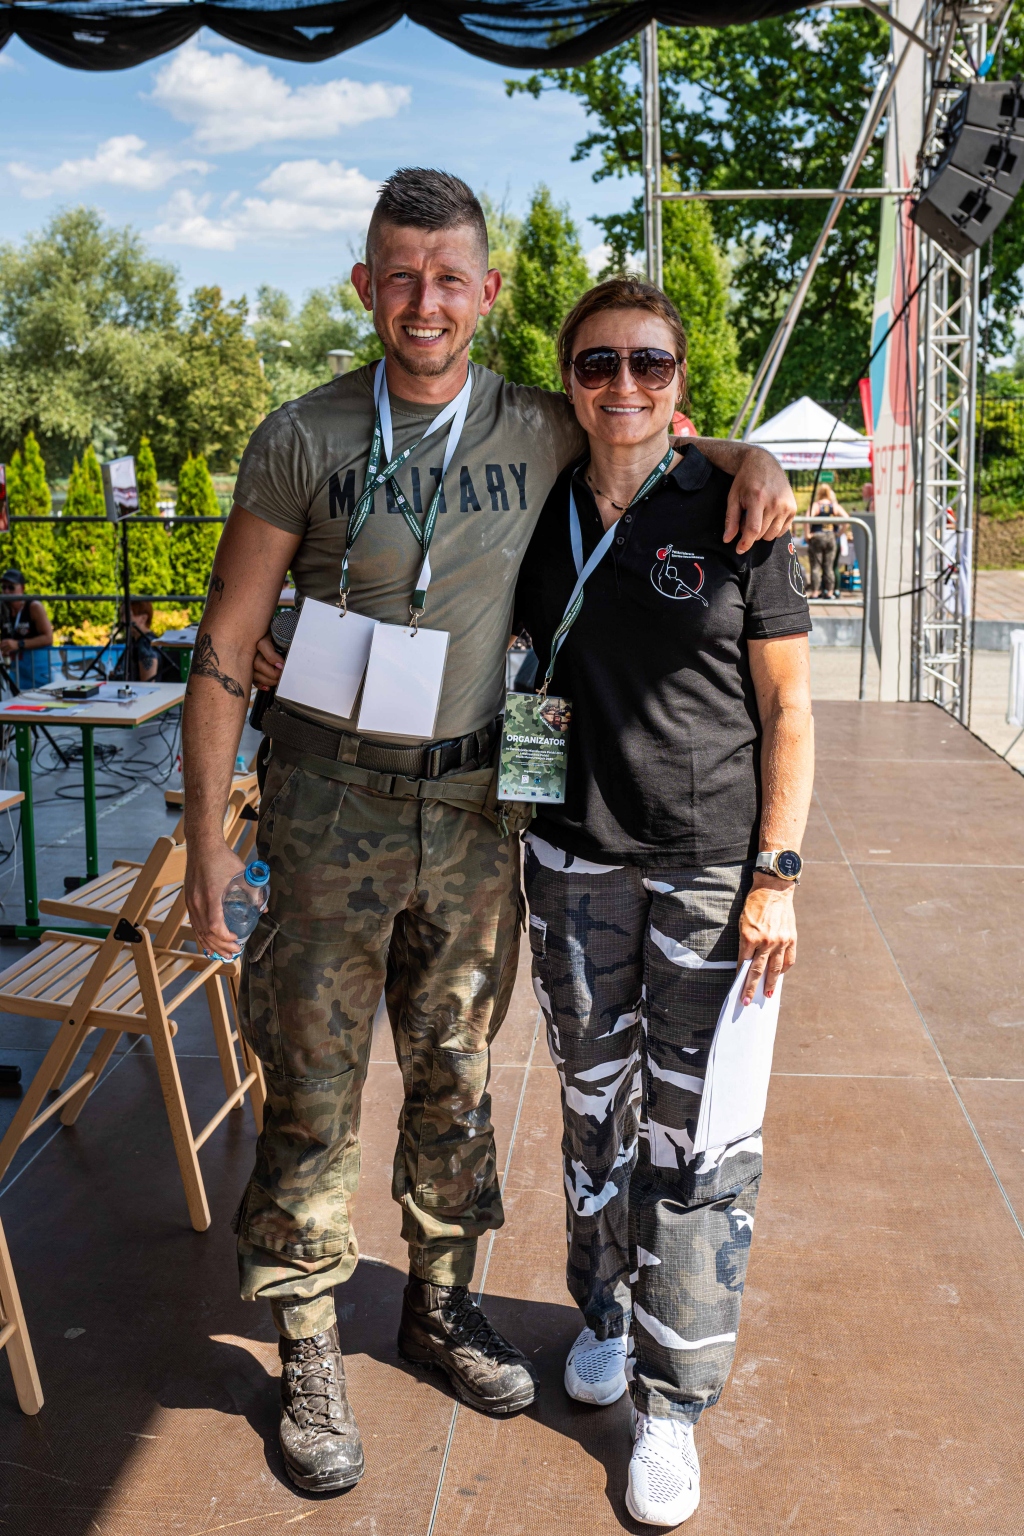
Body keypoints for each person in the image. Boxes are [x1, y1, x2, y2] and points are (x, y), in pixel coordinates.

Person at [183, 167, 797, 1497]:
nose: (425, 302)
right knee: (312, 1083)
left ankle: (441, 1305)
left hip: (473, 812)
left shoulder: (538, 419)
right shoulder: (301, 435)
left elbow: (652, 425)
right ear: (365, 285)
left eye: (449, 278)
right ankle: (306, 1337)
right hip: (330, 803)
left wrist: (751, 457)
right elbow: (226, 645)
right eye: (400, 276)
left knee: (457, 1075)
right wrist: (209, 842)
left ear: (487, 292)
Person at [512, 277, 813, 1526]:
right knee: (594, 1117)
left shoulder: (739, 510)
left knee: (697, 1144)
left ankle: (673, 1403)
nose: (623, 385)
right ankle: (601, 1314)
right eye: (598, 364)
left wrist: (775, 875)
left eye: (648, 363)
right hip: (570, 866)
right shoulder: (535, 499)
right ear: (569, 380)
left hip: (708, 876)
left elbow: (788, 709)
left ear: (679, 381)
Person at [0, 568, 53, 690]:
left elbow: (48, 638)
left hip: (39, 671)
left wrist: (19, 644)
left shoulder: (34, 606)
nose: (6, 591)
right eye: (3, 587)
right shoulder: (3, 609)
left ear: (22, 589)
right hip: (17, 671)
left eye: (11, 587)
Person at [806, 482, 845, 599]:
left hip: (817, 536)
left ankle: (815, 592)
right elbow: (846, 519)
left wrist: (807, 534)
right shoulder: (834, 506)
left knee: (816, 566)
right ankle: (830, 592)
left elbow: (807, 519)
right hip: (831, 537)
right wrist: (839, 533)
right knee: (829, 566)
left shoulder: (816, 505)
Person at [114, 600, 159, 682]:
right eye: (122, 615)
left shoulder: (145, 643)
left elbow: (148, 683)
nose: (123, 620)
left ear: (143, 618)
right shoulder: (135, 641)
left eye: (127, 615)